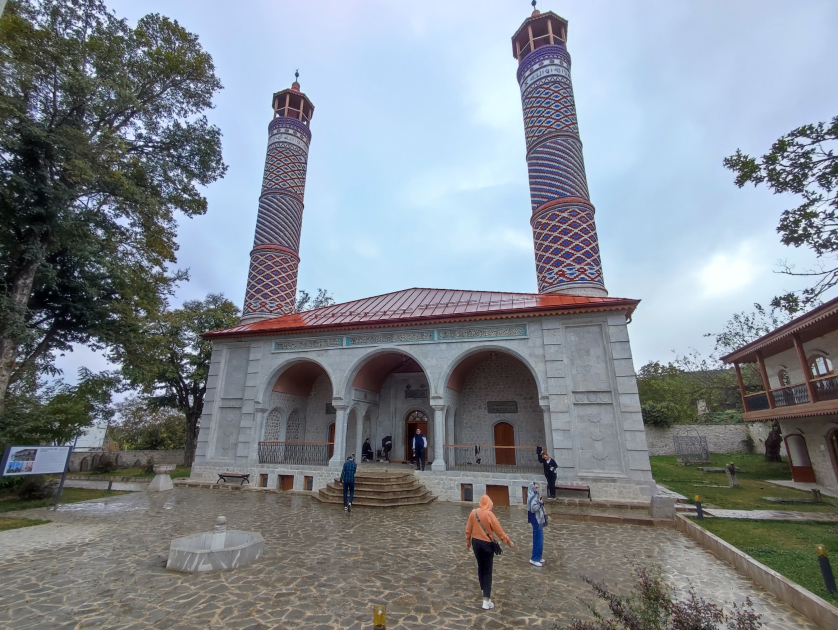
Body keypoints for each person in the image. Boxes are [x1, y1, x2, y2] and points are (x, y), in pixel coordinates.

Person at [465, 494, 514, 610]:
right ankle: (486, 599)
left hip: (476, 543)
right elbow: (499, 531)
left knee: (481, 567)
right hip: (487, 544)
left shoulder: (473, 512)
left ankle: (484, 589)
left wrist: (468, 542)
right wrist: (507, 540)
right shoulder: (489, 514)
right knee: (487, 570)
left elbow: (468, 529)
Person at [526, 482, 547, 567]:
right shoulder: (533, 497)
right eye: (536, 488)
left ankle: (539, 557)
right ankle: (535, 559)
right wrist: (540, 503)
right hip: (536, 520)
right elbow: (533, 508)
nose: (537, 489)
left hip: (538, 520)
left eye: (538, 487)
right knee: (537, 540)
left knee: (540, 539)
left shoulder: (535, 496)